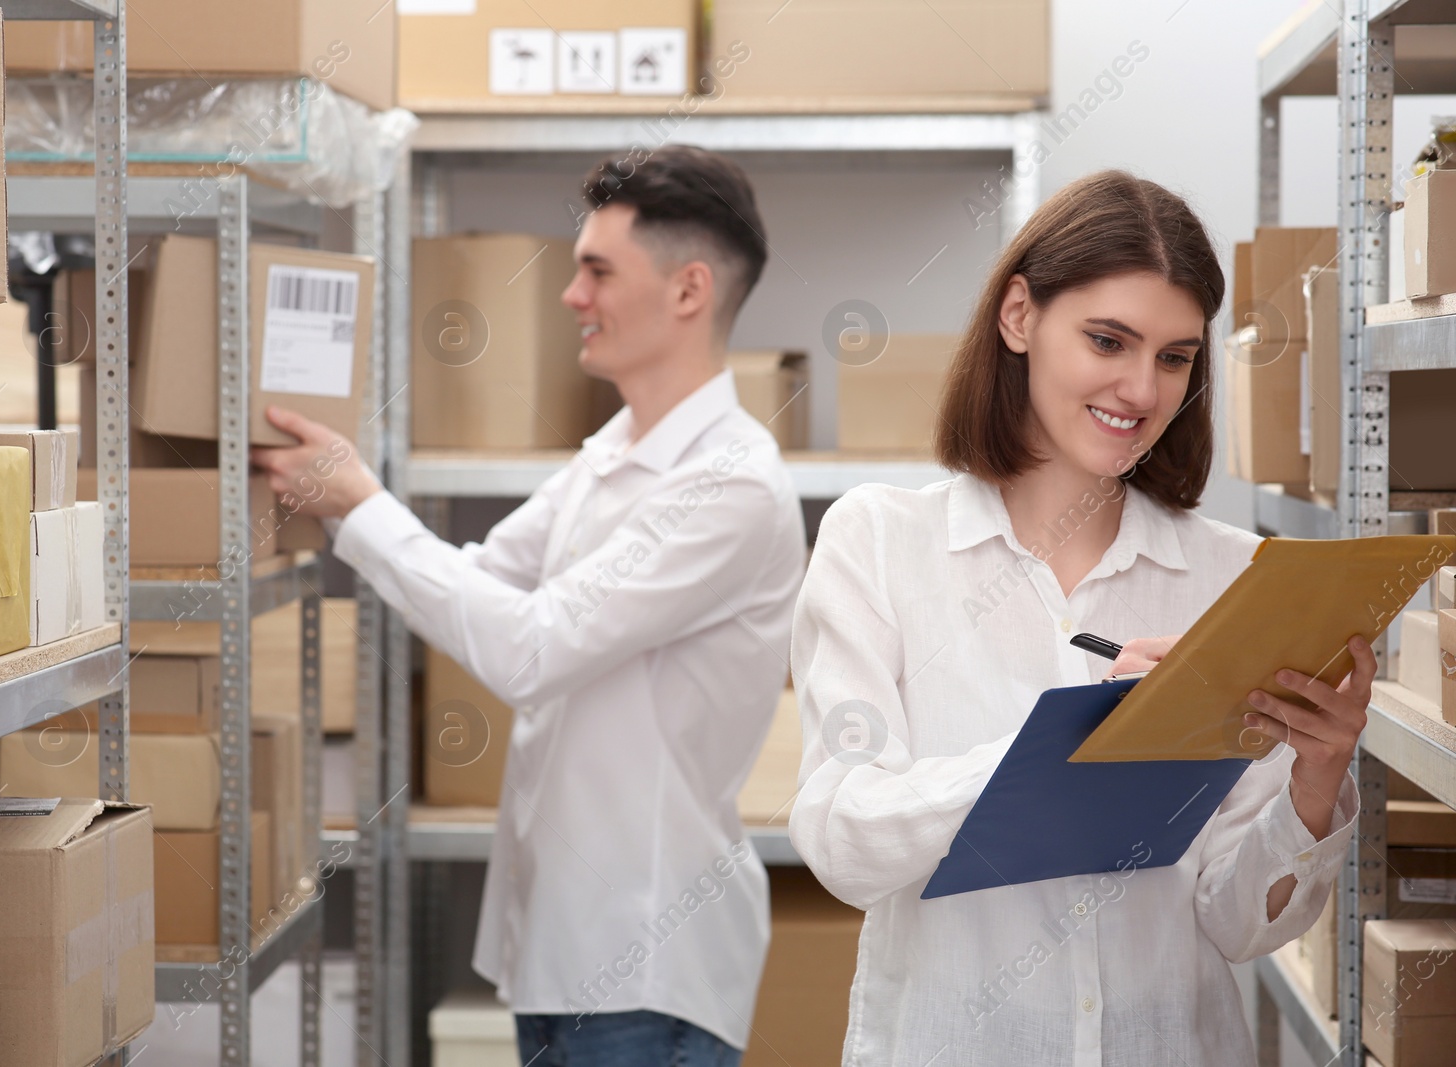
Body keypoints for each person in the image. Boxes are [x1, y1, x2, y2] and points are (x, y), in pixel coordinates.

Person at [788, 170, 1370, 1066]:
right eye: (1108, 339)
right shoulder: (880, 543)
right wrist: (1071, 745)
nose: (1141, 388)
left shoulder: (1231, 573)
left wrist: (1317, 778)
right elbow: (844, 842)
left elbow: (1236, 923)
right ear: (1018, 316)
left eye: (1175, 357)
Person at [254, 145, 806, 1066]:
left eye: (596, 269)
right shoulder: (617, 448)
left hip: (645, 969)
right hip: (558, 954)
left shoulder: (730, 486)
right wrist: (341, 510)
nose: (570, 296)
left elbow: (531, 649)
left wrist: (358, 501)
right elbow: (481, 577)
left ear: (688, 290)